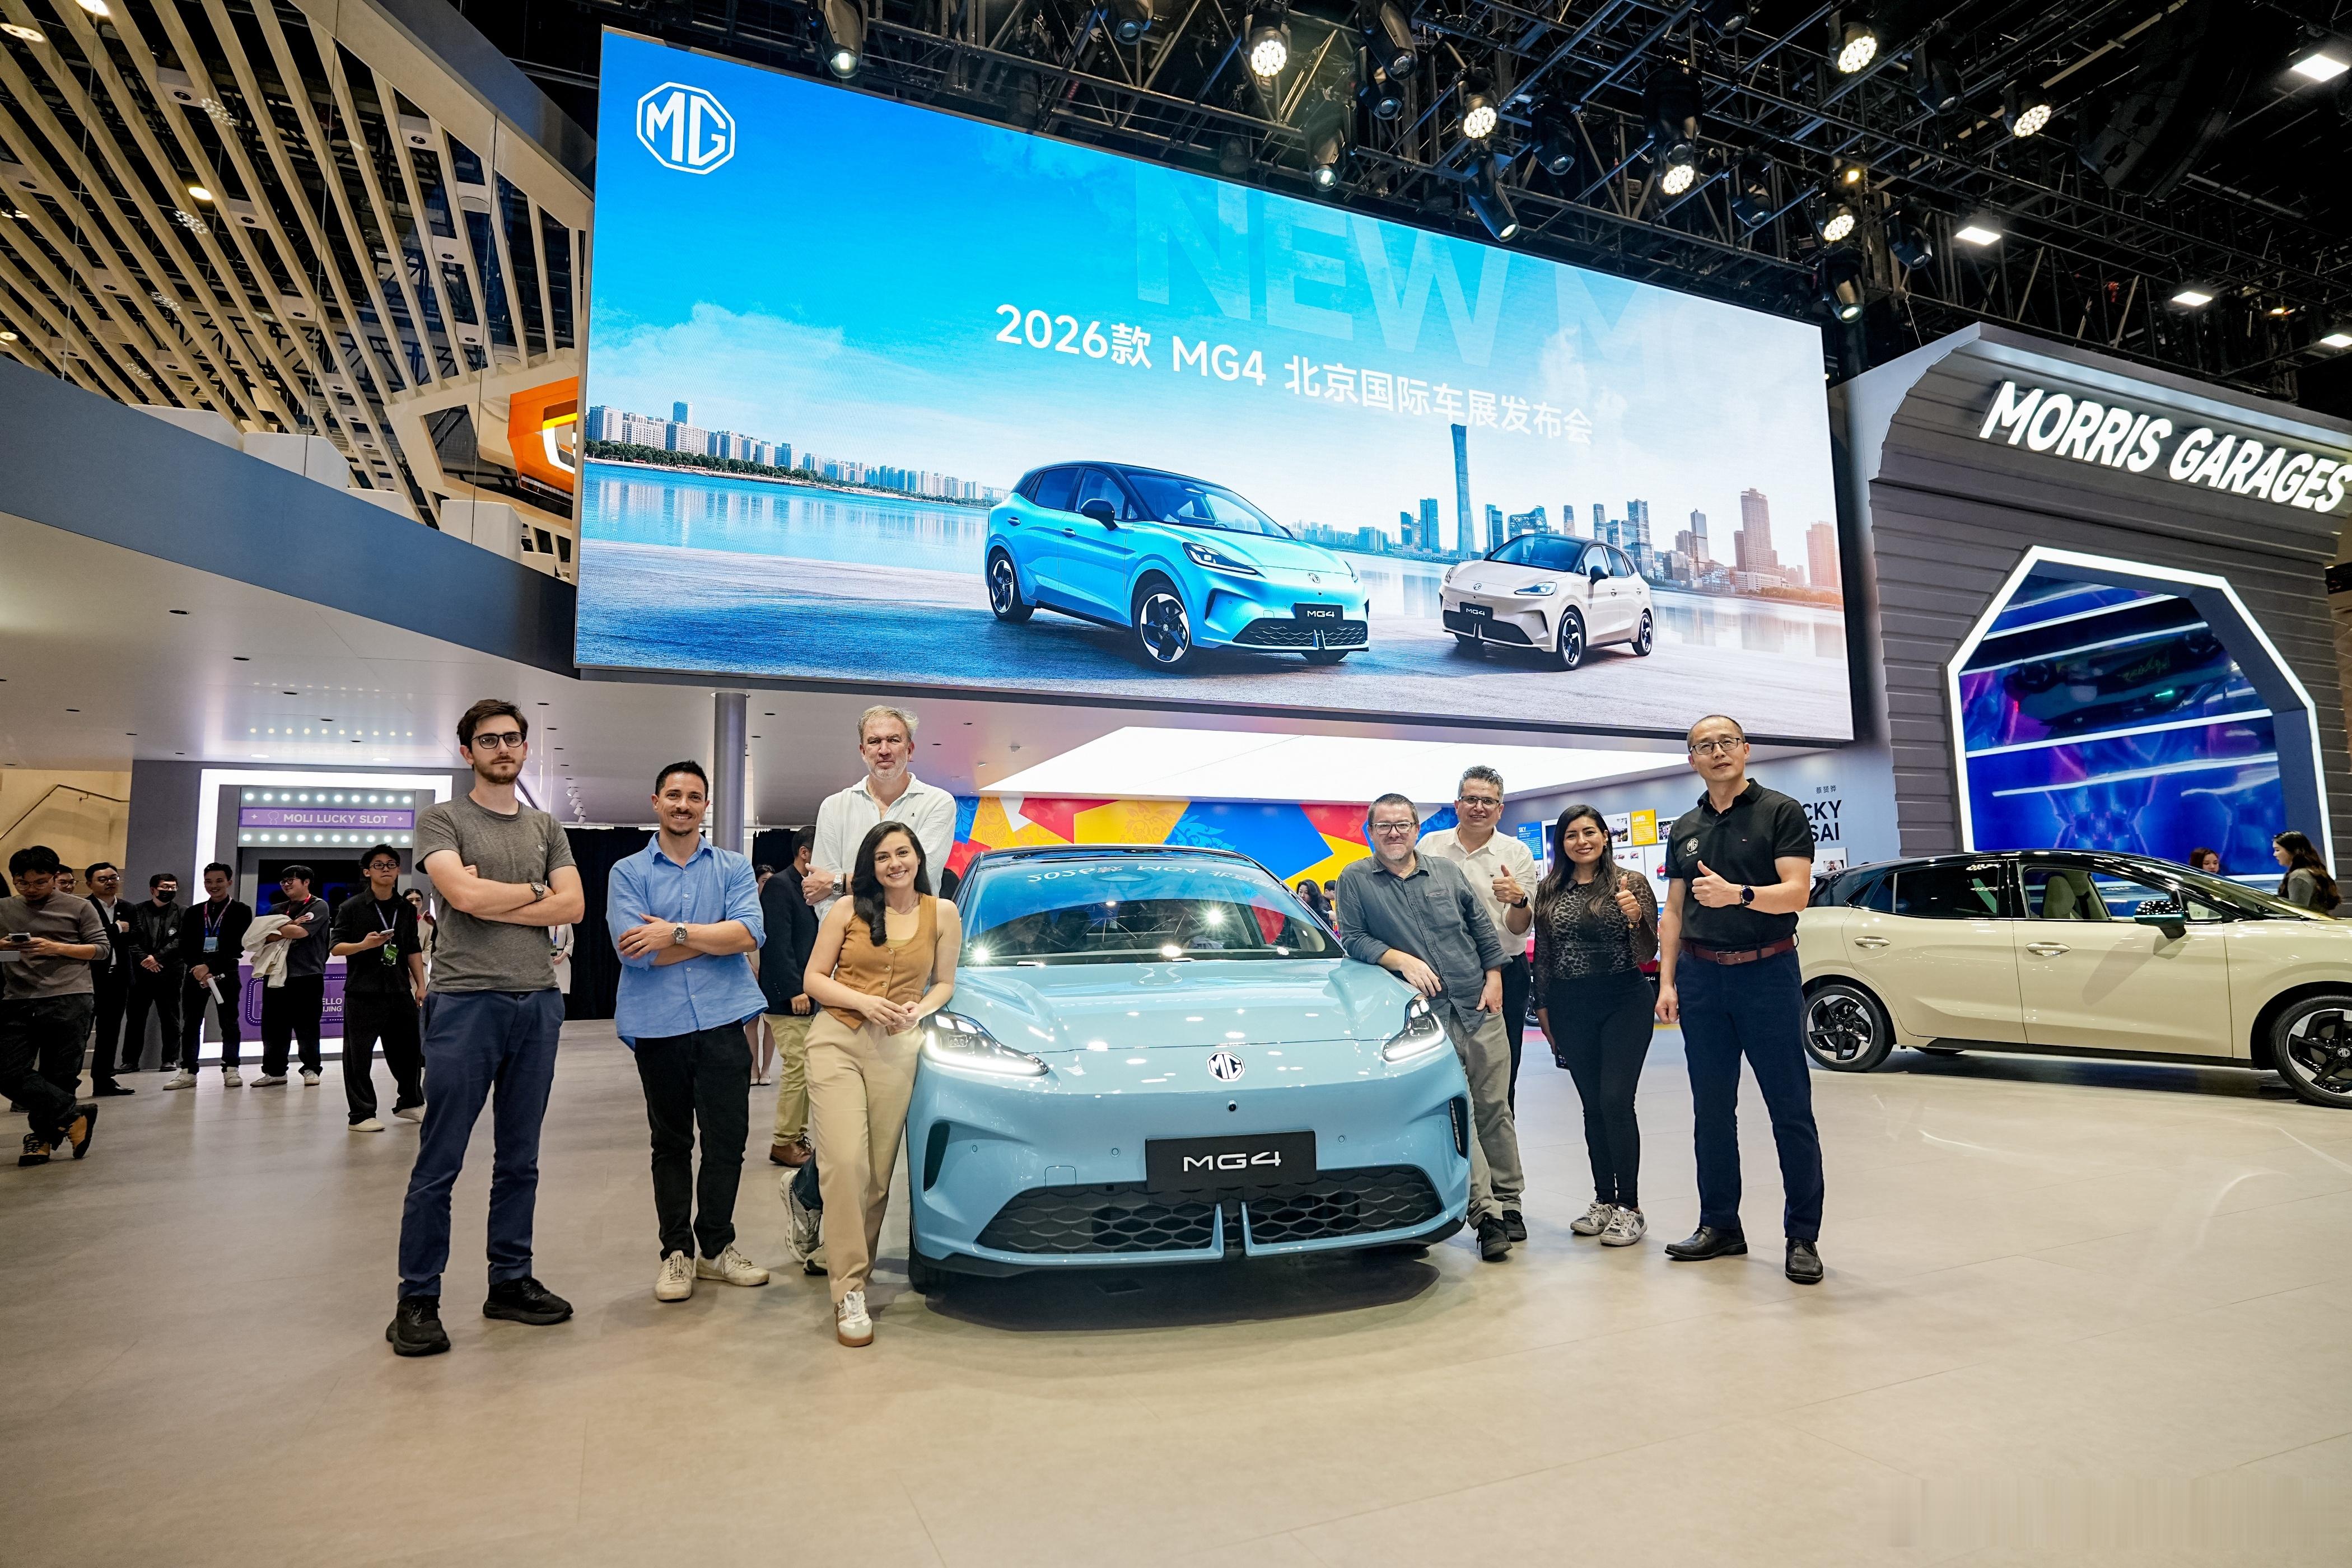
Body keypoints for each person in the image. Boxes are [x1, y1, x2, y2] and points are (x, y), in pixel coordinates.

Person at [388, 698, 584, 1358]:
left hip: (537, 1003)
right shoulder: (443, 819)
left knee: (520, 1158)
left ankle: (510, 1280)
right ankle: (418, 1298)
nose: (503, 748)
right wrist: (535, 892)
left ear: (526, 748)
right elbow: (462, 896)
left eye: (513, 738)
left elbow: (575, 905)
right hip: (465, 1002)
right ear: (467, 750)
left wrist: (498, 894)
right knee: (440, 1158)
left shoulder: (546, 825)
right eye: (489, 739)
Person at [1655, 715, 1826, 1285]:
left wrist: (1739, 895)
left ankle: (1802, 1235)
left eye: (1727, 742)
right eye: (1704, 746)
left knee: (1789, 1109)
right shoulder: (1685, 827)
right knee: (1711, 1111)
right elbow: (1674, 911)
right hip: (1702, 979)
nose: (1718, 752)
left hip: (1767, 973)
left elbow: (1797, 892)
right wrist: (1668, 982)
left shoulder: (1780, 811)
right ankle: (1720, 1225)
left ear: (1746, 750)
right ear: (1692, 759)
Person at [609, 761, 772, 1304]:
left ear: (706, 805)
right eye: (674, 795)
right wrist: (711, 939)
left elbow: (749, 934)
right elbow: (634, 951)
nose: (684, 805)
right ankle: (676, 1252)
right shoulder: (628, 872)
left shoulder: (732, 868)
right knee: (672, 1142)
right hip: (658, 1028)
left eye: (694, 796)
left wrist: (674, 933)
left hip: (726, 1021)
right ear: (656, 801)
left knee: (728, 1141)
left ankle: (717, 1248)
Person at [1335, 794, 1523, 1261]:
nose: (1394, 833)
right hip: (1425, 1019)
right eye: (1384, 826)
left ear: (1416, 828)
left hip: (1479, 1005)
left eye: (1402, 824)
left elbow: (1481, 929)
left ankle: (1510, 1201)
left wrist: (1495, 977)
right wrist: (1400, 960)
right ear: (1370, 833)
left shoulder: (1446, 872)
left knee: (1495, 1108)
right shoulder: (1356, 879)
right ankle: (1486, 1215)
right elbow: (1353, 938)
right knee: (1461, 1114)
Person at [800, 821, 961, 1346]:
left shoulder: (943, 913)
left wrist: (921, 1009)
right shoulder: (848, 910)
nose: (895, 863)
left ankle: (855, 1268)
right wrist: (863, 1002)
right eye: (884, 856)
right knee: (845, 1162)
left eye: (903, 853)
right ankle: (848, 1289)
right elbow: (813, 979)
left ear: (918, 858)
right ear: (871, 866)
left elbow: (945, 983)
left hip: (898, 1048)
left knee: (875, 1178)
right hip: (838, 1040)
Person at [1534, 804, 1659, 1248]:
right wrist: (1543, 1008)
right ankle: (1604, 1199)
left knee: (1615, 1101)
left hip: (1624, 1000)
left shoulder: (1630, 883)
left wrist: (1635, 918)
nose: (1581, 841)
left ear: (1606, 836)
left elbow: (1647, 952)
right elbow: (1544, 954)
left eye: (1589, 832)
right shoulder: (1550, 888)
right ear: (1561, 843)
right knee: (1592, 1106)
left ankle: (1630, 1207)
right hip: (1570, 1005)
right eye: (1571, 835)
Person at [1418, 767, 1538, 1105]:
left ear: (1500, 809)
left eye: (1488, 801)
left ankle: (1500, 1138)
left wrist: (1518, 900)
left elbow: (1519, 928)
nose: (1479, 807)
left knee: (1501, 1074)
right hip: (1442, 974)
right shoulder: (1430, 846)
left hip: (1506, 973)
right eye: (1471, 799)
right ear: (1457, 805)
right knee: (1441, 1067)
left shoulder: (1517, 854)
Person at [0, 846, 102, 1166]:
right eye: (22, 883)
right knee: (7, 1072)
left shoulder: (80, 907)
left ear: (55, 877)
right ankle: (73, 1115)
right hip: (16, 999)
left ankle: (40, 1139)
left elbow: (101, 950)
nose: (31, 889)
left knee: (59, 1075)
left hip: (69, 997)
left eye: (40, 882)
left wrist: (55, 947)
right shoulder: (3, 908)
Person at [805, 706, 957, 916]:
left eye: (894, 740)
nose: (884, 750)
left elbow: (918, 879)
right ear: (863, 751)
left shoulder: (938, 803)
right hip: (846, 933)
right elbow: (820, 894)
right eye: (874, 741)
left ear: (910, 750)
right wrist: (848, 930)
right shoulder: (833, 807)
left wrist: (838, 882)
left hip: (913, 932)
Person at [330, 846, 427, 1132]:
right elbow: (336, 948)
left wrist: (421, 985)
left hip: (399, 990)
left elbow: (412, 949)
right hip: (363, 991)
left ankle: (410, 1103)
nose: (386, 869)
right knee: (358, 1056)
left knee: (410, 1051)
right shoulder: (351, 907)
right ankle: (361, 1114)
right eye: (379, 865)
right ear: (367, 872)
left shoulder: (406, 909)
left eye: (391, 864)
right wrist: (364, 945)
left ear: (398, 870)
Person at [760, 828, 821, 1169]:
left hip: (811, 994)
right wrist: (794, 989)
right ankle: (784, 1141)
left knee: (806, 1067)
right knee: (798, 1066)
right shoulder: (781, 886)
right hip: (789, 997)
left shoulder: (813, 889)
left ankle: (795, 1137)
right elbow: (777, 942)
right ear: (804, 853)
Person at [253, 867, 330, 1086]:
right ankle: (275, 1071)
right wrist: (288, 926)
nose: (286, 885)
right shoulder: (276, 909)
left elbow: (301, 933)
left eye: (291, 880)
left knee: (307, 1025)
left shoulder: (318, 906)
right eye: (283, 881)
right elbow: (260, 936)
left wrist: (279, 929)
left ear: (306, 882)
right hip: (276, 973)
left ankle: (311, 1069)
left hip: (307, 974)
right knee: (274, 1027)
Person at [177, 862, 250, 1086]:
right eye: (208, 881)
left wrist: (209, 967)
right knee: (191, 1024)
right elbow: (185, 945)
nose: (213, 886)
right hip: (195, 973)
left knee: (229, 1023)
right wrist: (199, 968)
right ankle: (188, 1070)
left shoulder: (241, 910)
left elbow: (237, 945)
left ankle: (231, 1068)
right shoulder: (194, 912)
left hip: (226, 972)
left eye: (219, 881)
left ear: (229, 882)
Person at [125, 872, 187, 1084]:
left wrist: (157, 958)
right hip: (141, 974)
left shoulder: (183, 912)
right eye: (165, 887)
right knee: (135, 1018)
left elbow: (182, 941)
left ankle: (170, 1059)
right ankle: (130, 1061)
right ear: (153, 889)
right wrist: (145, 959)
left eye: (173, 887)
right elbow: (129, 940)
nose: (169, 891)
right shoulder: (136, 911)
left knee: (171, 1018)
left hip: (170, 973)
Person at [83, 862, 136, 1096]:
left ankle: (104, 1080)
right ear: (90, 884)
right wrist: (116, 929)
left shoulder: (127, 907)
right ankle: (66, 1083)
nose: (110, 882)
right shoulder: (84, 907)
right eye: (103, 879)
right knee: (81, 1033)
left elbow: (136, 934)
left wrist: (117, 930)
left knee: (110, 1032)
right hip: (90, 978)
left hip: (119, 978)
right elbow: (87, 939)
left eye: (114, 878)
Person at [2272, 831, 2339, 914]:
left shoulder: (2299, 876)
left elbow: (2297, 914)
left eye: (2277, 850)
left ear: (2293, 850)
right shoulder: (2311, 872)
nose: (2275, 854)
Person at [406, 888, 438, 974]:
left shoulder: (427, 923)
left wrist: (416, 967)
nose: (414, 903)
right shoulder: (396, 922)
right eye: (410, 900)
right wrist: (389, 964)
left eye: (418, 900)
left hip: (420, 969)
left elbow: (429, 948)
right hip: (397, 969)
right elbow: (392, 945)